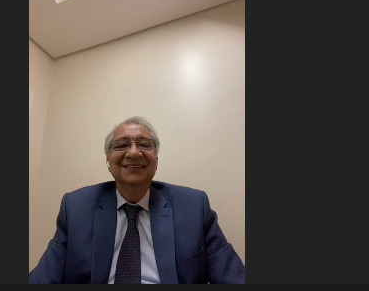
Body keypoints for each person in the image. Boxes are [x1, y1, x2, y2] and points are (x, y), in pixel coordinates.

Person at [29, 116, 244, 284]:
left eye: (144, 144)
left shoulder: (194, 206)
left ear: (156, 158)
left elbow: (233, 277)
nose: (133, 152)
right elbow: (44, 277)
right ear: (108, 159)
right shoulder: (76, 208)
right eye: (121, 145)